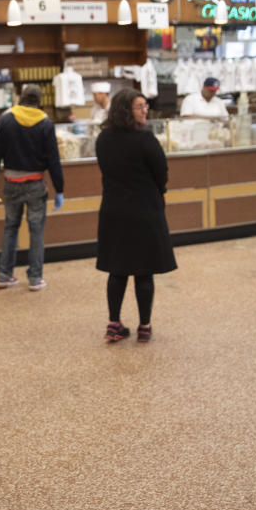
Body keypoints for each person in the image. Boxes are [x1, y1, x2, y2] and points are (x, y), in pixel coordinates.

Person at [95, 88, 177, 343]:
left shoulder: (103, 139)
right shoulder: (145, 139)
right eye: (140, 107)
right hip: (144, 210)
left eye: (145, 106)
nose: (145, 111)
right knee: (144, 271)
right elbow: (161, 172)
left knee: (117, 270)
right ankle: (144, 326)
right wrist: (157, 190)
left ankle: (114, 324)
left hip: (114, 210)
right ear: (126, 110)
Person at [0, 84, 64, 291]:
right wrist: (59, 189)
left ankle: (4, 275)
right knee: (36, 231)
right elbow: (53, 160)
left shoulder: (6, 120)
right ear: (39, 101)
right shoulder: (45, 123)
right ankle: (35, 279)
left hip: (11, 183)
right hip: (36, 184)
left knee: (11, 228)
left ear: (20, 98)